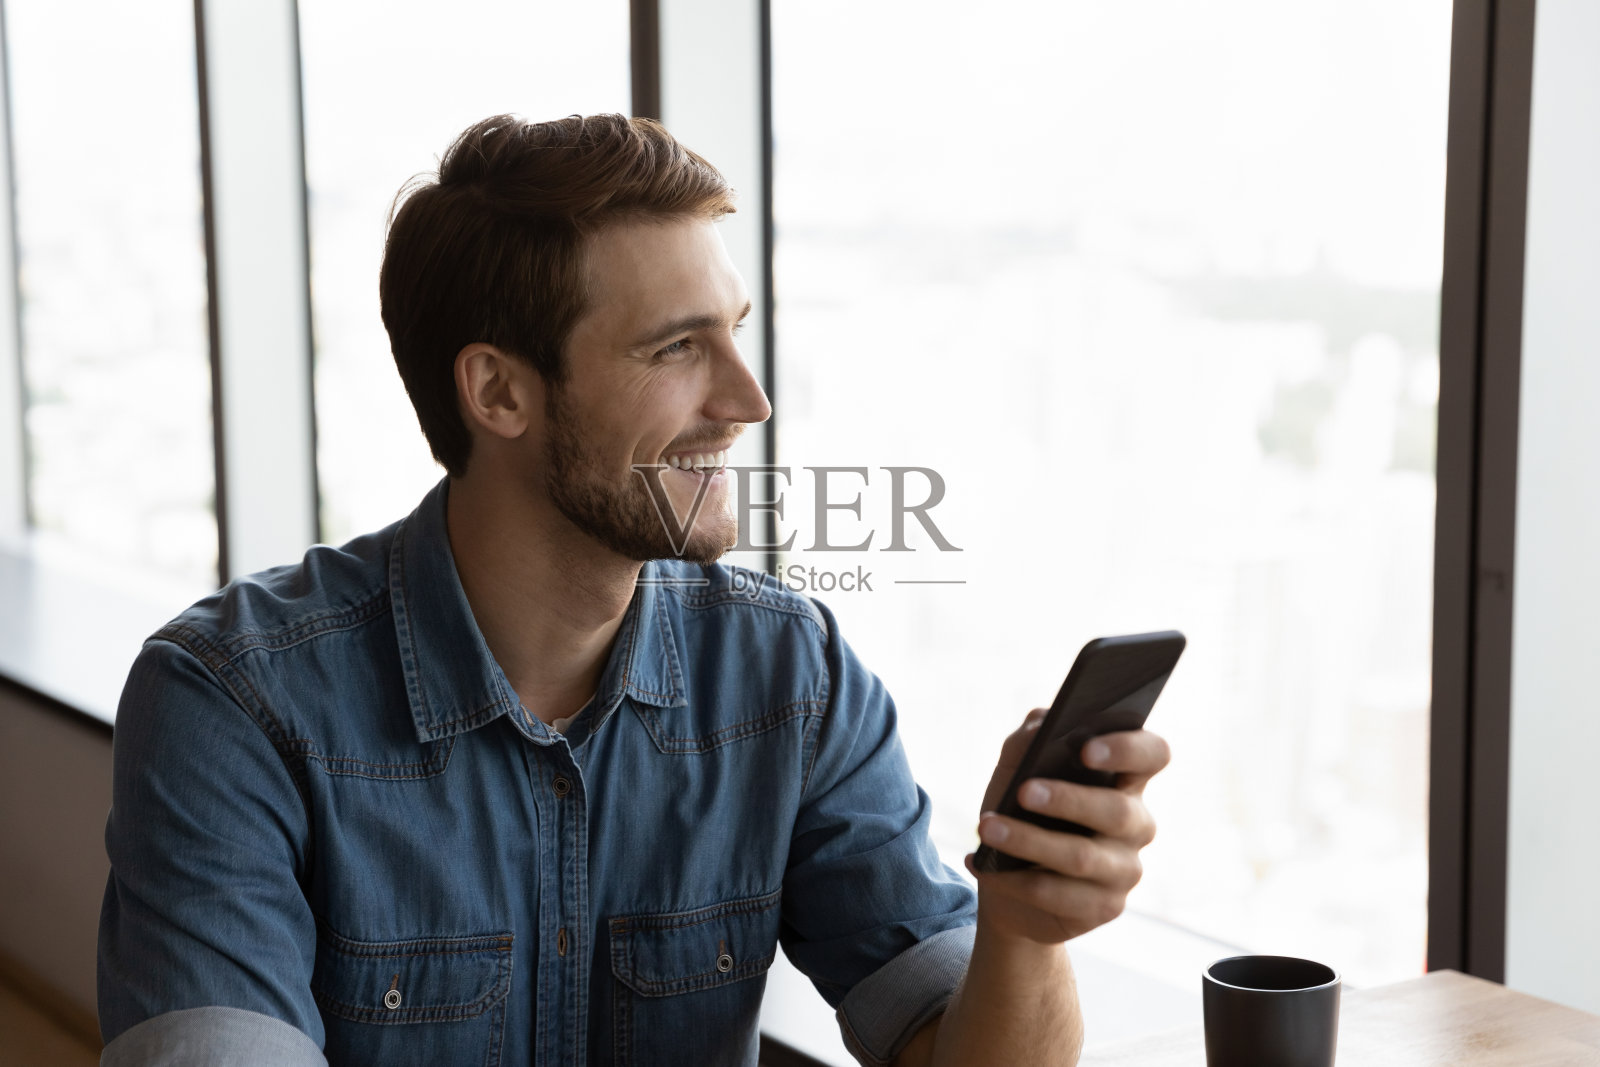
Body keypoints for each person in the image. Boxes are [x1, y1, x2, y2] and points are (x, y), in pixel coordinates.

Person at [97, 113, 1169, 1066]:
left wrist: (1024, 927)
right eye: (676, 348)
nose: (745, 399)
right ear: (499, 390)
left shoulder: (789, 673)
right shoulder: (234, 701)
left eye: (734, 333)